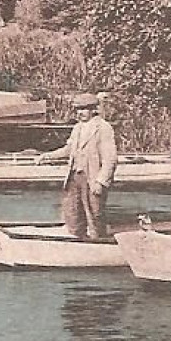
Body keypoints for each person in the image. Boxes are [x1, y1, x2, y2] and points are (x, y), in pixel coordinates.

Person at [35, 93, 117, 239]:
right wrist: (47, 156)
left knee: (95, 213)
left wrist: (101, 181)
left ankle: (99, 242)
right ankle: (77, 240)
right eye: (78, 109)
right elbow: (68, 149)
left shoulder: (103, 128)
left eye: (84, 109)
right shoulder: (77, 128)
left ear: (93, 110)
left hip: (92, 178)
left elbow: (110, 159)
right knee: (73, 211)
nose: (80, 112)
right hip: (74, 177)